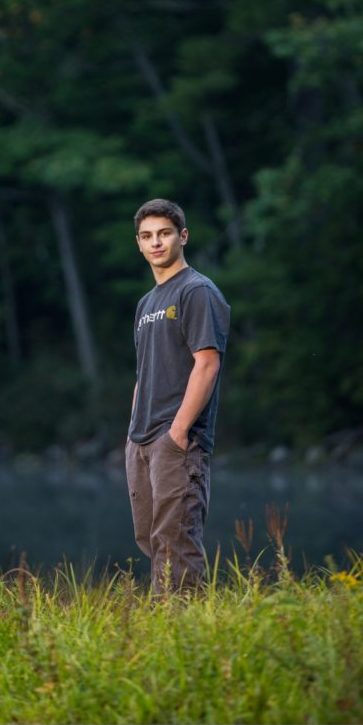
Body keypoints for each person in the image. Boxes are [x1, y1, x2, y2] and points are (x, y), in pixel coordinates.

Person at [125, 198, 230, 593]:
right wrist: (132, 435)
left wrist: (179, 433)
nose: (157, 243)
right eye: (148, 236)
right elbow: (144, 374)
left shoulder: (197, 291)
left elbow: (207, 364)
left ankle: (186, 636)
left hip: (176, 439)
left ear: (182, 237)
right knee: (151, 540)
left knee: (177, 543)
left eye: (165, 234)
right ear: (138, 243)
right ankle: (163, 636)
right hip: (141, 440)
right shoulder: (146, 303)